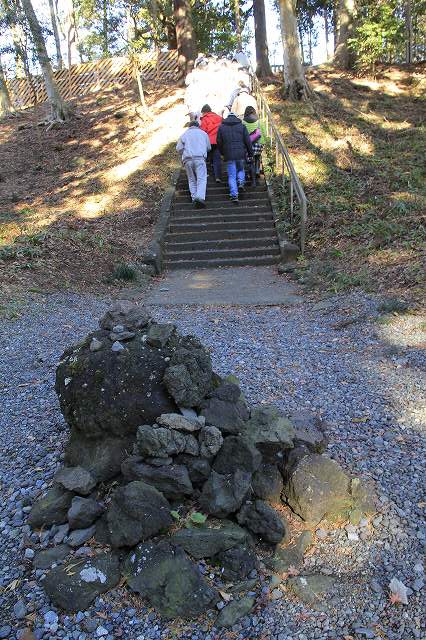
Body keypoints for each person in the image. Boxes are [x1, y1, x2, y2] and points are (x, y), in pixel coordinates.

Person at [217, 112, 253, 203]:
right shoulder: (242, 126)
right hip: (241, 153)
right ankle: (241, 182)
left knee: (232, 175)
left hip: (229, 154)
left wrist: (222, 153)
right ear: (236, 117)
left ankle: (234, 195)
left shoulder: (221, 127)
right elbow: (248, 141)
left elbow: (219, 142)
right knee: (241, 169)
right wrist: (250, 153)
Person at [176, 120, 211, 208]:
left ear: (189, 126)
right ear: (198, 126)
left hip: (187, 159)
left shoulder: (184, 134)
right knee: (201, 178)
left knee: (191, 179)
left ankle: (194, 198)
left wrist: (185, 152)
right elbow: (209, 147)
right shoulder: (203, 134)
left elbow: (179, 148)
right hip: (199, 158)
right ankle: (200, 197)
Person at [242, 106, 267, 186]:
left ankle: (250, 174)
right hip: (259, 144)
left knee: (250, 160)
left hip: (249, 144)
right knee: (257, 157)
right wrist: (265, 141)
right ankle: (257, 171)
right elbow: (264, 133)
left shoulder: (243, 122)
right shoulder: (259, 122)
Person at [199, 104, 223, 182]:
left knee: (207, 158)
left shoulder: (204, 119)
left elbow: (203, 131)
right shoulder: (219, 118)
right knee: (217, 159)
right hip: (218, 141)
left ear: (204, 112)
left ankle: (209, 175)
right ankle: (218, 177)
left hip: (208, 141)